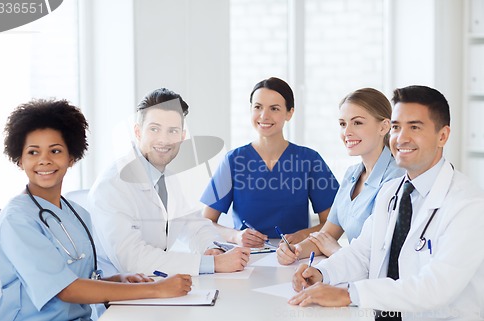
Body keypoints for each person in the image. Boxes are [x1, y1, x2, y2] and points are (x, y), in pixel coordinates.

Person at [289, 86, 484, 321]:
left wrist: (349, 294)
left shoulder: (468, 204)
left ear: (442, 136)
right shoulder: (391, 192)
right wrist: (321, 273)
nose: (401, 138)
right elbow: (363, 252)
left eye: (414, 127)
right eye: (396, 127)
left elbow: (436, 287)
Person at [0, 99, 192, 321]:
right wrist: (157, 289)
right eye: (33, 152)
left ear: (71, 158)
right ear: (19, 160)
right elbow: (66, 289)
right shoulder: (17, 219)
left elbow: (82, 279)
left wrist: (117, 279)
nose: (44, 161)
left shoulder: (76, 213)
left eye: (55, 151)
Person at [89, 88, 250, 277]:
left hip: (156, 287)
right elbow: (132, 261)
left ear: (182, 136)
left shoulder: (168, 180)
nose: (164, 139)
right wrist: (212, 263)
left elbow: (194, 224)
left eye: (172, 131)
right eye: (154, 129)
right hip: (118, 298)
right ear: (138, 132)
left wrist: (212, 248)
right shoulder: (112, 185)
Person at [201, 77, 339, 248]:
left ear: (289, 113)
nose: (264, 116)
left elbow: (333, 223)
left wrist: (303, 235)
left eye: (274, 108)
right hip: (245, 259)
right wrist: (235, 236)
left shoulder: (309, 160)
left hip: (296, 255)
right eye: (258, 107)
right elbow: (205, 223)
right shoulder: (234, 161)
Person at [277, 88, 404, 265]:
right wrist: (295, 250)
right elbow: (327, 235)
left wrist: (336, 251)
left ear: (383, 127)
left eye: (357, 123)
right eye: (343, 124)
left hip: (379, 283)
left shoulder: (398, 179)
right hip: (352, 272)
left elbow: (382, 257)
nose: (347, 132)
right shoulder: (352, 175)